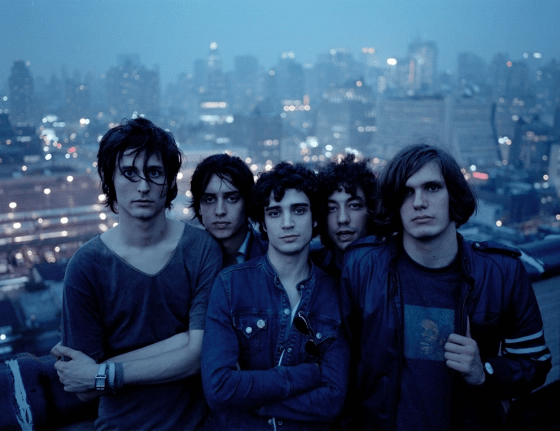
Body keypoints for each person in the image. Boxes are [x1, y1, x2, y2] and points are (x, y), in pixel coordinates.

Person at [340, 143, 552, 431]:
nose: (419, 203)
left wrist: (484, 371)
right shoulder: (363, 266)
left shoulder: (501, 272)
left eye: (432, 188)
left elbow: (535, 363)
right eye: (406, 192)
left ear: (453, 194)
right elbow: (343, 362)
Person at [51, 117, 222, 431]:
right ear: (109, 180)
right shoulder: (86, 266)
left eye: (154, 173)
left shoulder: (201, 249)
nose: (143, 186)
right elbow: (83, 387)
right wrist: (183, 342)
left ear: (170, 182)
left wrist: (103, 372)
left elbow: (201, 356)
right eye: (129, 173)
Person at [201, 162, 349, 430]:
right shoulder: (230, 285)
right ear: (263, 223)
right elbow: (219, 388)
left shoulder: (335, 294)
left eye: (299, 210)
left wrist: (254, 402)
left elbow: (332, 400)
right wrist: (308, 375)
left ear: (315, 219)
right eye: (275, 212)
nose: (288, 223)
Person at [190, 153, 267, 267]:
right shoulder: (187, 257)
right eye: (209, 199)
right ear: (199, 207)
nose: (220, 211)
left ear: (248, 203)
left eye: (232, 199)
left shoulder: (271, 254)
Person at [311, 154, 377, 278]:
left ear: (371, 209)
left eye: (354, 206)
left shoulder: (392, 268)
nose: (342, 219)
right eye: (332, 208)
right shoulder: (311, 265)